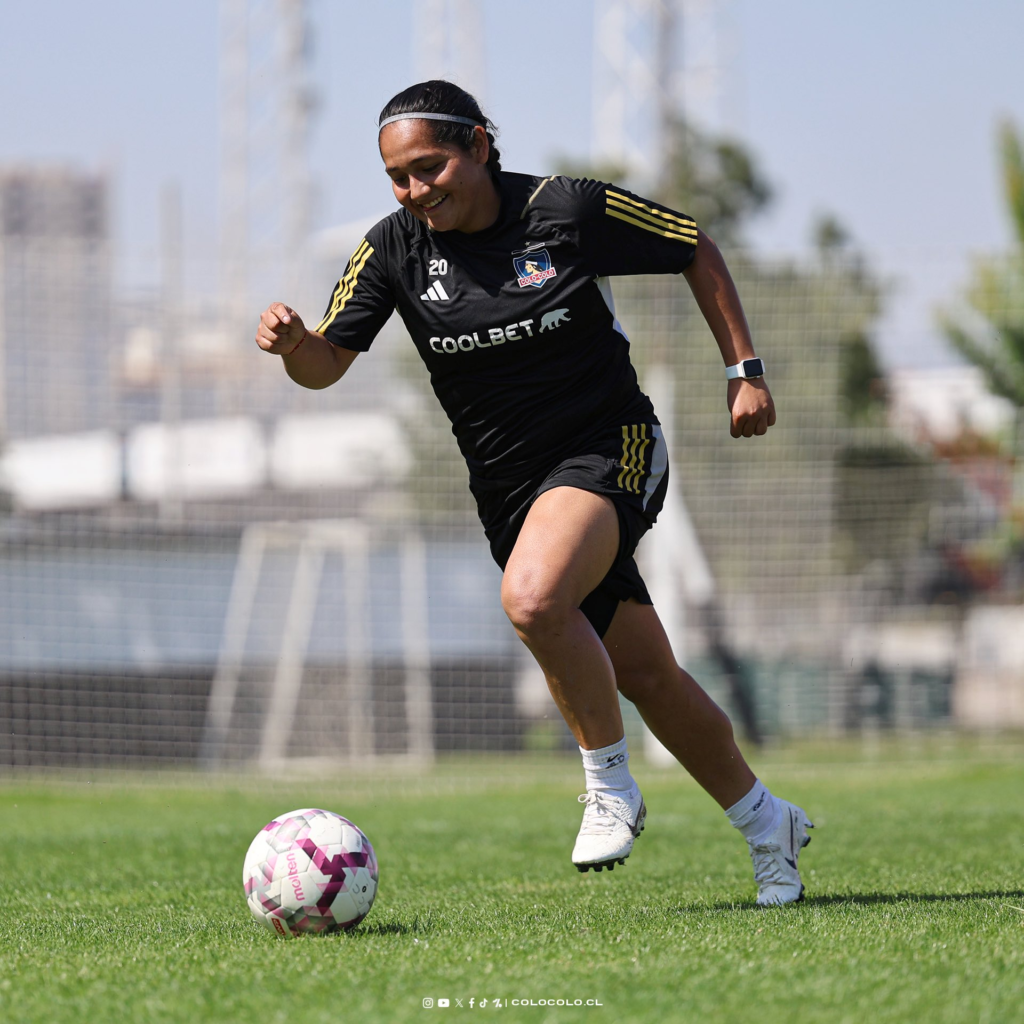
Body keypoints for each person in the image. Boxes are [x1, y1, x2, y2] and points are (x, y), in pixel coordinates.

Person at [255, 80, 814, 906]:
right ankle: (771, 826)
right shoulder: (394, 251)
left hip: (609, 447)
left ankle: (609, 784)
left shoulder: (566, 213)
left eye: (430, 166)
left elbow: (693, 243)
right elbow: (326, 366)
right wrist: (296, 342)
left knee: (531, 599)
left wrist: (745, 373)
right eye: (398, 178)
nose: (417, 191)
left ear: (480, 144)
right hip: (510, 494)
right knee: (649, 676)